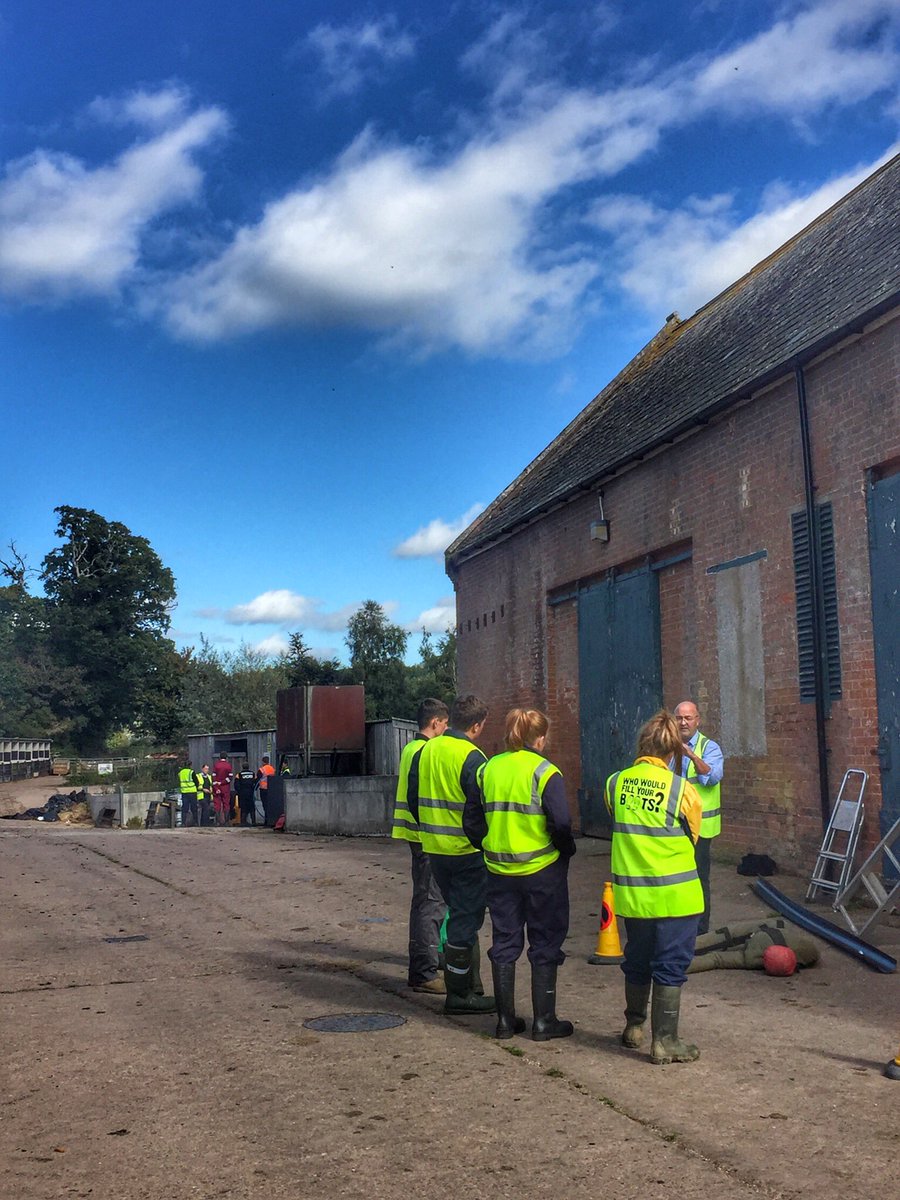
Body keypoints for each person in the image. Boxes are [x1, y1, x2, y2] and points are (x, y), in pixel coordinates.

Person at [605, 709, 704, 1065]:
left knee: (638, 960)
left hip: (634, 896)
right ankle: (665, 1041)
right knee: (671, 966)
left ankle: (634, 1027)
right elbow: (692, 836)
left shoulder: (615, 783)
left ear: (641, 745)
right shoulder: (683, 790)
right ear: (674, 751)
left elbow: (617, 819)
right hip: (676, 897)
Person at [471, 708, 576, 1042]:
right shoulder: (545, 772)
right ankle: (543, 1022)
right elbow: (560, 822)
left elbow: (471, 820)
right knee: (544, 942)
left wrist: (489, 845)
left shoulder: (488, 769)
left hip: (499, 871)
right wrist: (564, 851)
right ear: (540, 738)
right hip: (542, 871)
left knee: (504, 940)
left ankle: (505, 1021)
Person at [408, 695, 495, 1015]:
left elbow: (413, 799)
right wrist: (481, 843)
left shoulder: (426, 750)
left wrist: (432, 831)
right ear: (476, 725)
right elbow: (479, 810)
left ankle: (471, 985)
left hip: (434, 850)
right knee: (465, 922)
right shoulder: (473, 757)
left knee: (458, 915)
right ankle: (460, 995)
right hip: (465, 852)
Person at [391, 698, 450, 994]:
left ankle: (427, 961)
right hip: (424, 837)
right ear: (435, 722)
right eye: (445, 723)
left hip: (415, 835)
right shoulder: (425, 750)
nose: (446, 729)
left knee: (423, 901)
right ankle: (425, 972)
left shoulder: (410, 748)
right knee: (431, 902)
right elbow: (417, 795)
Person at [673, 700, 724, 936]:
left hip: (701, 827)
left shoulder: (710, 748)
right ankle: (678, 922)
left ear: (698, 720)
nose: (683, 722)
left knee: (699, 877)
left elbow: (712, 777)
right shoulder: (668, 748)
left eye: (688, 718)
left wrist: (691, 755)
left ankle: (701, 929)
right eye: (679, 718)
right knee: (675, 875)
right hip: (673, 824)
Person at [212, 754, 233, 827]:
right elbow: (230, 777)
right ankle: (226, 822)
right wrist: (222, 782)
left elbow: (213, 778)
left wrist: (216, 787)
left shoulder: (216, 765)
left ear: (219, 757)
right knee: (226, 804)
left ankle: (218, 822)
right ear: (226, 757)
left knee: (217, 805)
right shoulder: (228, 765)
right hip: (225, 787)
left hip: (217, 787)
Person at [255, 755, 276, 825]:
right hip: (271, 789)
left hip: (263, 789)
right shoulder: (272, 769)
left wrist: (255, 788)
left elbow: (257, 780)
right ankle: (271, 820)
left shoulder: (261, 770)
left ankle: (266, 821)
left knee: (265, 805)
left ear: (263, 762)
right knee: (270, 805)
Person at [178, 760, 199, 828]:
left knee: (184, 808)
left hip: (184, 792)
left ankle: (183, 823)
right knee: (194, 808)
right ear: (190, 765)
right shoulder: (191, 772)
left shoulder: (180, 772)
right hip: (192, 792)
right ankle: (195, 822)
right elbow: (196, 782)